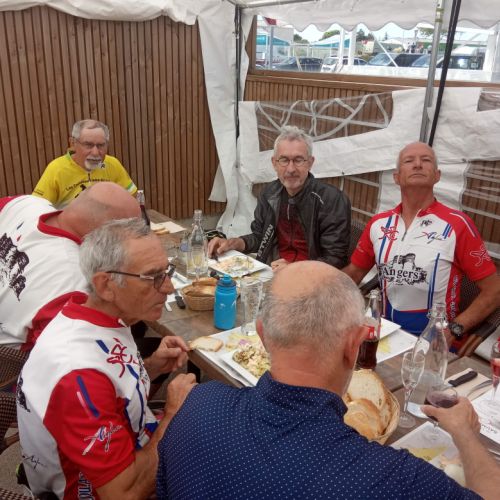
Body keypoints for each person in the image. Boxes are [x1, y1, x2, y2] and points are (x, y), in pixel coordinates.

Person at [157, 261, 499, 499]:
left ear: (262, 334)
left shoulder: (195, 405)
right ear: (355, 345)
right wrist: (466, 435)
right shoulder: (395, 481)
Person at [17, 218, 197, 499]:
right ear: (105, 285)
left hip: (131, 443)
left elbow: (112, 396)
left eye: (166, 271)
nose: (169, 287)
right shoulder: (77, 374)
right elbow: (124, 494)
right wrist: (173, 414)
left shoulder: (97, 316)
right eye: (153, 277)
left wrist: (150, 367)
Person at [344, 142, 499, 347]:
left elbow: (494, 290)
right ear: (396, 177)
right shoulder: (378, 224)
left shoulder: (458, 225)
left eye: (426, 160)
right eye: (409, 161)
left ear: (437, 175)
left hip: (433, 344)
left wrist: (456, 328)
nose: (417, 164)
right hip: (384, 336)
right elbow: (354, 273)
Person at [0, 182, 140, 351]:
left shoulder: (25, 204)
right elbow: (62, 355)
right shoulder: (76, 285)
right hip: (15, 360)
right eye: (132, 231)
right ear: (108, 234)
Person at [208, 126, 351, 272]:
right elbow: (260, 237)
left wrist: (294, 269)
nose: (291, 169)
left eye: (298, 160)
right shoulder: (269, 194)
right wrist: (233, 243)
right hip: (273, 271)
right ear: (274, 163)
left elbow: (335, 259)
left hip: (312, 278)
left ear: (310, 162)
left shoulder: (332, 200)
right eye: (284, 160)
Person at [33, 119, 137, 207]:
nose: (95, 152)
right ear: (73, 143)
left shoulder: (112, 164)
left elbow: (132, 198)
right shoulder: (56, 169)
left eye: (101, 145)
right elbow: (37, 208)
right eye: (88, 145)